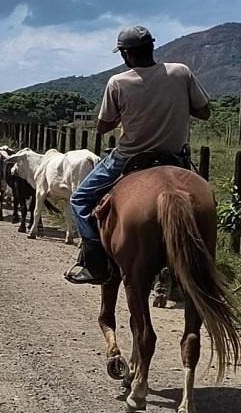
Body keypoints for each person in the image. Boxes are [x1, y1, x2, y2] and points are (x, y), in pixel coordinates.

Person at [64, 25, 211, 285]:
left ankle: (95, 262)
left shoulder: (118, 83)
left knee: (80, 199)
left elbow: (103, 127)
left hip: (128, 159)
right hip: (174, 157)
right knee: (207, 196)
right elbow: (204, 112)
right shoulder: (181, 72)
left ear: (125, 55)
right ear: (152, 47)